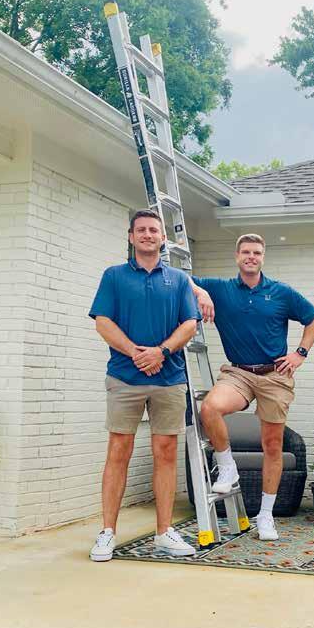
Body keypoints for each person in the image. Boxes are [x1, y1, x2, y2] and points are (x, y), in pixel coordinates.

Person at [191, 234, 314, 541]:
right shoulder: (221, 289)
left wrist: (300, 353)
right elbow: (178, 278)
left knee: (272, 445)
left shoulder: (281, 292)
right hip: (238, 372)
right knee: (209, 409)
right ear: (237, 256)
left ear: (263, 257)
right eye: (246, 252)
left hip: (274, 376)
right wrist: (201, 292)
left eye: (257, 252)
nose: (251, 257)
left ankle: (265, 515)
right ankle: (227, 467)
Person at [87, 209, 199, 562]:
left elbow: (190, 324)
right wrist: (136, 353)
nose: (148, 234)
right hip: (125, 377)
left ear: (163, 238)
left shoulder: (178, 280)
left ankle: (164, 533)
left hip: (169, 378)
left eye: (154, 230)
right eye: (141, 230)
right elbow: (103, 322)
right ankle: (107, 533)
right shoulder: (114, 276)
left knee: (165, 453)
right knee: (118, 450)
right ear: (131, 237)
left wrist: (160, 352)